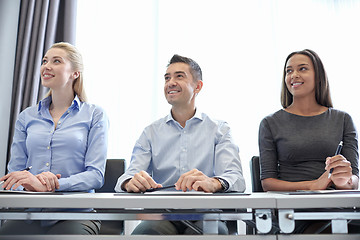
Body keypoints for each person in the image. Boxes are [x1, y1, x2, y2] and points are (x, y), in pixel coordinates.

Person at [115, 54, 246, 235]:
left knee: (210, 234)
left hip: (206, 215)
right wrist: (130, 182)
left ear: (198, 86)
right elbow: (126, 177)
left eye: (179, 76)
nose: (171, 82)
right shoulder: (150, 132)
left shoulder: (220, 130)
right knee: (145, 235)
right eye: (167, 78)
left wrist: (214, 183)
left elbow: (236, 179)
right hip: (162, 216)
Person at [0, 42, 109, 235]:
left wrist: (53, 184)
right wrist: (27, 183)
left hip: (76, 214)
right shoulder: (26, 116)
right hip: (29, 214)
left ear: (75, 73)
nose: (46, 66)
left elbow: (95, 175)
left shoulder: (95, 115)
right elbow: (14, 174)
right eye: (44, 61)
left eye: (56, 61)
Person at [258, 49, 359, 233]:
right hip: (294, 212)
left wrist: (344, 180)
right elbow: (268, 183)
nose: (294, 75)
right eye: (289, 71)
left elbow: (353, 180)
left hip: (337, 208)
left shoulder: (343, 119)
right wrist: (313, 186)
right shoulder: (270, 123)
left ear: (318, 75)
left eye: (302, 69)